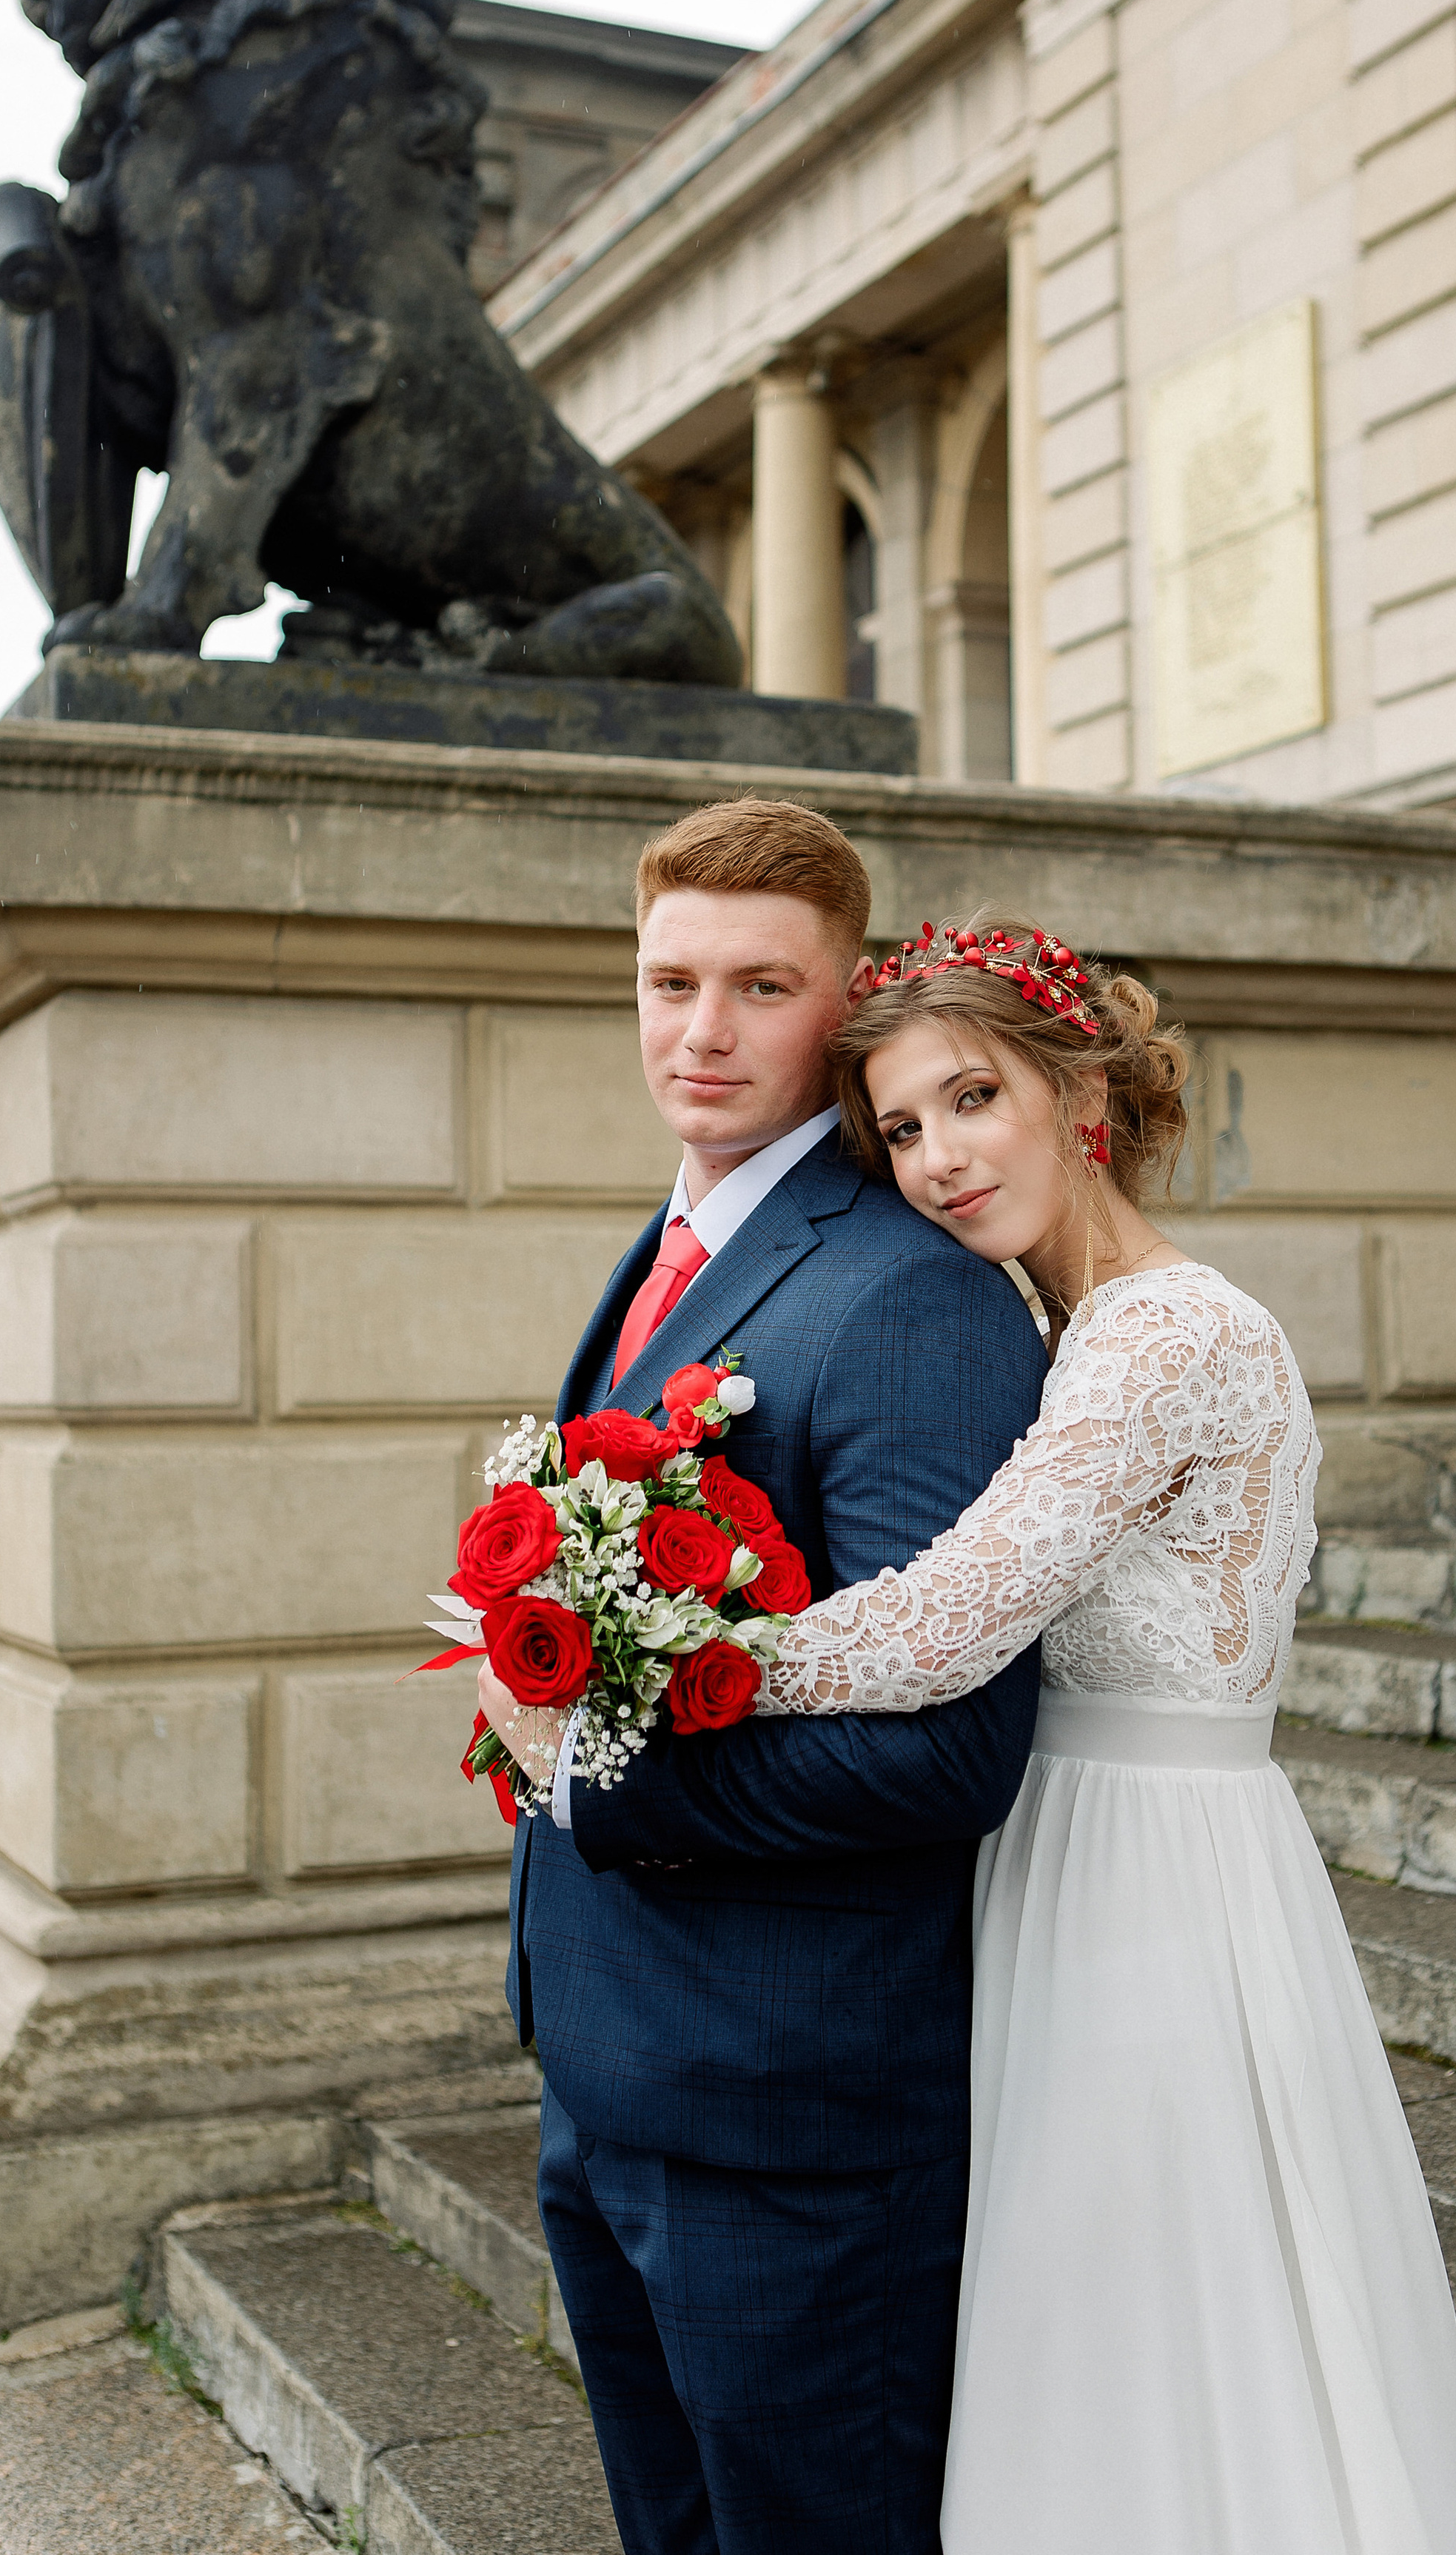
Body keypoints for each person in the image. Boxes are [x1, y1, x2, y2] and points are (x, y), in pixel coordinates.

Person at [490, 913, 1456, 2555]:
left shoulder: (1170, 1339)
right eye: (900, 1128)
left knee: (1169, 2343)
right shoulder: (1052, 1333)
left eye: (973, 1100)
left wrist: (642, 1675)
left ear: (1077, 1095)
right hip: (1049, 1879)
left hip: (1151, 1895)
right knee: (1070, 2362)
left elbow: (937, 1627)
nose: (940, 1160)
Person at [487, 801, 1049, 2555]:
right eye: (669, 984)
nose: (702, 1033)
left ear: (844, 1003)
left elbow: (946, 1757)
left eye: (760, 987)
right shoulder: (675, 1245)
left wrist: (592, 1775)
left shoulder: (906, 1298)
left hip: (785, 2116)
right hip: (610, 2063)